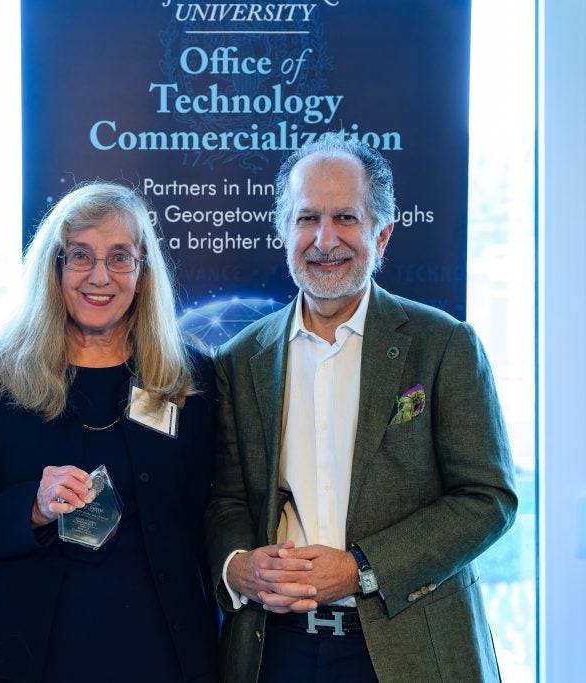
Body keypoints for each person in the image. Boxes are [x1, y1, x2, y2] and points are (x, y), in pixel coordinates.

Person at [205, 131, 518, 682]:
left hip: (409, 649)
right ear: (283, 231)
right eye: (306, 218)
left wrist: (360, 569)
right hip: (275, 652)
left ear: (383, 233)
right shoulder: (238, 359)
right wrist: (240, 566)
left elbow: (488, 498)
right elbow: (227, 496)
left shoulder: (442, 344)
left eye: (346, 217)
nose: (325, 239)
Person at [0, 181, 219, 682]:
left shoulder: (187, 377)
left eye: (119, 257)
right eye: (80, 256)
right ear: (55, 267)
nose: (99, 276)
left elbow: (210, 510)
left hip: (159, 652)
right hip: (24, 654)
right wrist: (33, 506)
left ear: (142, 271)